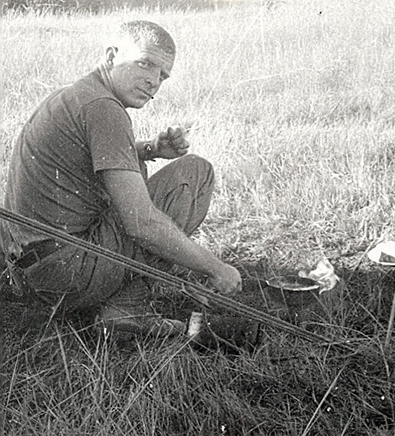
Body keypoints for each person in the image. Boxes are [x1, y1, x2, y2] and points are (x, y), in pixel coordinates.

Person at [0, 20, 242, 339]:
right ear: (112, 56)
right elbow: (142, 225)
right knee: (195, 172)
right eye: (145, 63)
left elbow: (87, 159)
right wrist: (216, 268)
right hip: (65, 275)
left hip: (25, 271)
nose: (154, 81)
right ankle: (127, 309)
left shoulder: (77, 95)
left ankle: (116, 300)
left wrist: (151, 149)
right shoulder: (104, 109)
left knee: (137, 178)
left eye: (163, 75)